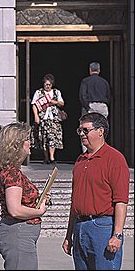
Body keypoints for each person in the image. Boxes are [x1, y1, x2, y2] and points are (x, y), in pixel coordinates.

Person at [62, 112, 130, 270]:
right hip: (80, 227)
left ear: (100, 131)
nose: (82, 135)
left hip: (102, 227)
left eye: (86, 130)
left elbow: (121, 201)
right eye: (80, 131)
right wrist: (68, 235)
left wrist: (117, 235)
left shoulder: (114, 159)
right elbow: (75, 202)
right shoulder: (80, 160)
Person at [0, 122, 50, 270]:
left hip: (20, 233)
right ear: (16, 145)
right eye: (27, 139)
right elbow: (15, 210)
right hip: (18, 232)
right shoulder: (12, 173)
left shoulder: (12, 171)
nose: (30, 143)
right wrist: (39, 211)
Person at [31, 73, 64, 164]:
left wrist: (55, 102)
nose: (47, 86)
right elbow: (34, 104)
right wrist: (36, 116)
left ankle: (52, 157)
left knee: (52, 138)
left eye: (49, 85)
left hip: (54, 119)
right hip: (43, 119)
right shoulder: (38, 93)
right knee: (44, 138)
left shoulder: (56, 92)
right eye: (46, 84)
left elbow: (62, 103)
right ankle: (46, 158)